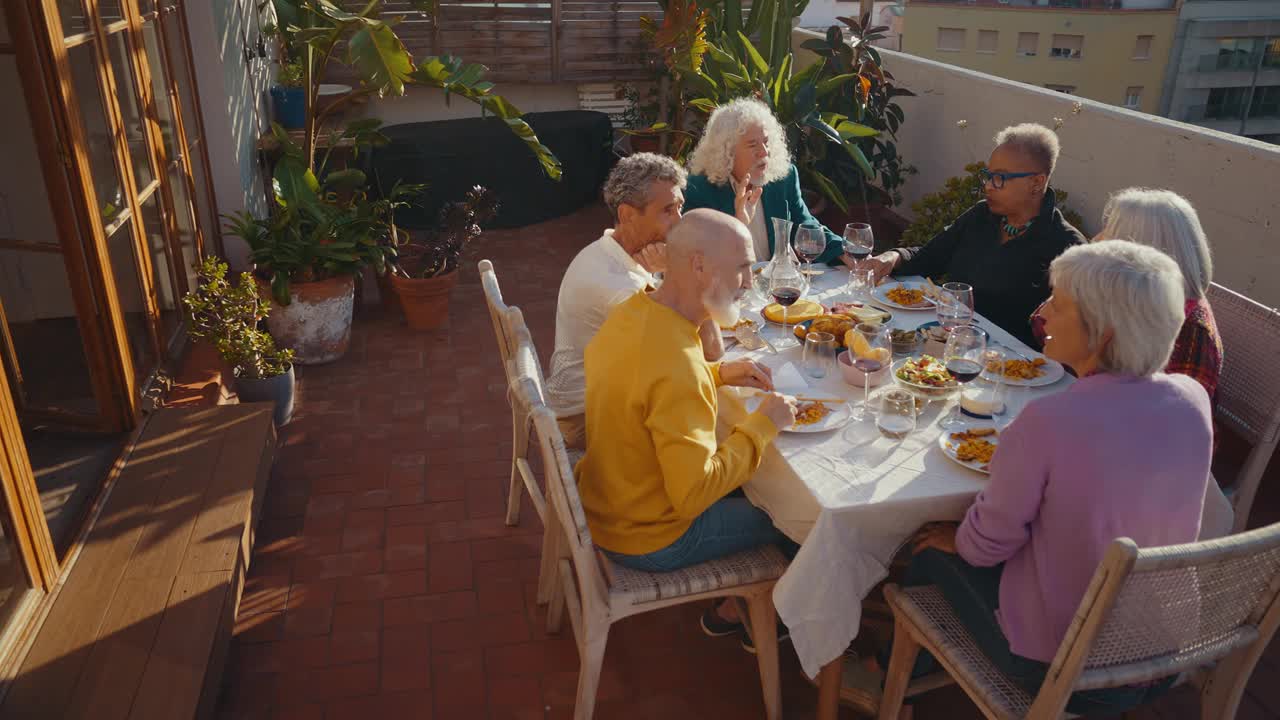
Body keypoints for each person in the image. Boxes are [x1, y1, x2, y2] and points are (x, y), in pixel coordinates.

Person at [873, 241, 1213, 717]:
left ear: (1105, 332)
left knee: (929, 552)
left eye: (1058, 304)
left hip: (1065, 664)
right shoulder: (1192, 399)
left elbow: (983, 546)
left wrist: (955, 537)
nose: (1043, 315)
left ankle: (892, 679)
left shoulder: (1050, 419)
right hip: (1165, 653)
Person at [575, 209, 796, 644]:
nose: (750, 282)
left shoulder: (633, 312)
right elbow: (693, 492)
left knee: (761, 485)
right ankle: (756, 618)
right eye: (742, 269)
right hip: (651, 537)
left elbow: (646, 388)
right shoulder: (678, 365)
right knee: (796, 517)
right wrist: (762, 425)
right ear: (699, 267)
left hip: (607, 502)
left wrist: (717, 374)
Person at [545, 153, 723, 449]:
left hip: (593, 398)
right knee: (715, 416)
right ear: (628, 215)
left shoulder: (610, 251)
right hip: (586, 420)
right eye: (667, 211)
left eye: (680, 207)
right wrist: (686, 274)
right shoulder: (618, 287)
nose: (680, 223)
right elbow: (709, 352)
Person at [858, 123, 1084, 347]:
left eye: (1000, 178)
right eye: (988, 176)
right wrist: (891, 258)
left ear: (1036, 183)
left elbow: (1073, 335)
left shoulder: (1067, 247)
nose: (988, 186)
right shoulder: (981, 215)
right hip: (945, 340)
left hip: (1012, 366)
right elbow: (928, 258)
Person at [1031, 188, 1222, 401]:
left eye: (1108, 231)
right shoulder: (1123, 295)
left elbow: (1171, 415)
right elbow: (1040, 326)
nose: (1095, 238)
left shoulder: (1193, 333)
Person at [682, 97, 843, 265]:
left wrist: (844, 251)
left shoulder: (783, 178)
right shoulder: (701, 187)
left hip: (774, 282)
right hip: (730, 284)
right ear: (728, 152)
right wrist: (738, 223)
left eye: (766, 142)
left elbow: (805, 225)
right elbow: (697, 253)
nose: (764, 152)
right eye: (753, 145)